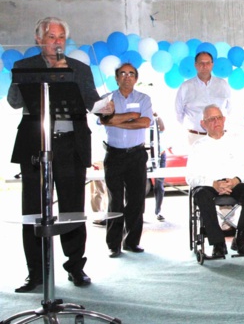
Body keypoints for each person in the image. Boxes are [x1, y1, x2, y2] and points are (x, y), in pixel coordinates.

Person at [8, 17, 113, 292]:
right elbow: (14, 102)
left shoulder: (79, 68)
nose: (57, 42)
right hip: (34, 146)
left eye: (61, 38)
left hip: (70, 146)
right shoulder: (23, 67)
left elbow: (92, 103)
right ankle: (36, 273)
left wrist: (106, 106)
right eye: (51, 37)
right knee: (32, 212)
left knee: (72, 210)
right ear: (39, 40)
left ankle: (76, 268)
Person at [186, 104, 244, 258]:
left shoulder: (237, 140)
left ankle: (239, 238)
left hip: (234, 182)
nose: (216, 121)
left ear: (224, 119)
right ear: (203, 123)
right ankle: (217, 243)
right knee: (200, 194)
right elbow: (191, 176)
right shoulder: (197, 146)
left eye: (219, 117)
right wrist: (213, 183)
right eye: (211, 119)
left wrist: (236, 180)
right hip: (210, 185)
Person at [100, 63, 153, 258]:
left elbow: (146, 122)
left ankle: (131, 242)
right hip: (113, 154)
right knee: (115, 200)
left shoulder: (144, 98)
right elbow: (104, 120)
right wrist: (131, 116)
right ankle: (113, 244)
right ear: (116, 77)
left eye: (131, 74)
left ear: (136, 78)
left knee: (136, 199)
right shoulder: (106, 99)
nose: (127, 77)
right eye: (122, 73)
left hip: (136, 155)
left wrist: (116, 119)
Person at [175, 51, 232, 145]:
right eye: (201, 63)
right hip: (196, 137)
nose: (205, 66)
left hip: (220, 137)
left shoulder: (222, 85)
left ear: (212, 65)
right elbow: (178, 113)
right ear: (196, 65)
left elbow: (231, 110)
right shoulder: (185, 87)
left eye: (208, 63)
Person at [152, 112, 166, 221]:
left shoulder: (156, 118)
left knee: (159, 185)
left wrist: (157, 116)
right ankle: (139, 213)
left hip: (160, 154)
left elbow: (162, 128)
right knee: (140, 185)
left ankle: (158, 211)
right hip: (146, 155)